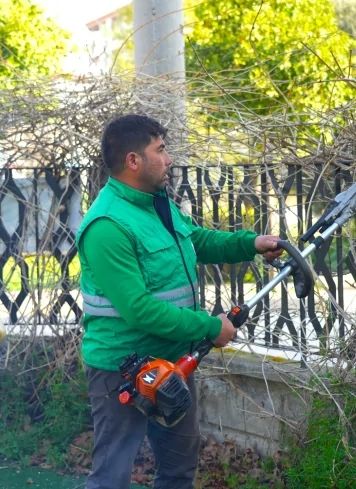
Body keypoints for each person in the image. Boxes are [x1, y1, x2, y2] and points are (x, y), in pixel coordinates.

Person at [76, 114, 284, 489]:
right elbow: (138, 309)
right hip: (122, 369)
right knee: (112, 476)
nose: (169, 159)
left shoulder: (154, 204)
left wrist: (250, 244)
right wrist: (210, 327)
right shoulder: (107, 225)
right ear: (134, 161)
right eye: (161, 150)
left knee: (177, 471)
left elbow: (195, 241)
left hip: (173, 363)